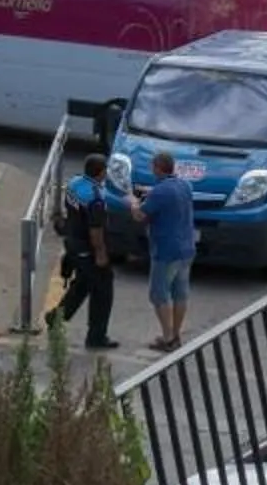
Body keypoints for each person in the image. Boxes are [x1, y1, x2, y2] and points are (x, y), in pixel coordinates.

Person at [52, 152, 119, 350]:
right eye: (105, 169)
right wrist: (101, 254)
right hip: (87, 249)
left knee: (82, 284)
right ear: (100, 173)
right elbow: (95, 231)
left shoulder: (74, 183)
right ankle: (96, 336)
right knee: (102, 291)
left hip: (72, 243)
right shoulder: (96, 198)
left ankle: (55, 318)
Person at [134, 149, 196, 351]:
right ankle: (176, 334)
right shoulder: (184, 185)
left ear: (157, 168)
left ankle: (167, 337)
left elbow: (140, 215)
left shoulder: (159, 192)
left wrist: (133, 202)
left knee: (159, 294)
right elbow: (166, 200)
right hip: (186, 247)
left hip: (166, 250)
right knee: (180, 292)